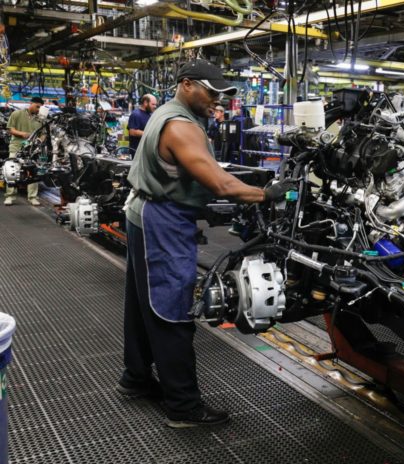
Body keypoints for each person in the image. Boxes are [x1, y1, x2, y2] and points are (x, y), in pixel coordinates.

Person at [116, 58, 295, 428]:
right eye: (211, 92)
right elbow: (222, 185)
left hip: (143, 211)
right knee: (171, 309)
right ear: (186, 85)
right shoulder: (181, 126)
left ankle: (135, 379)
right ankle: (183, 407)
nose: (217, 100)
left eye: (221, 94)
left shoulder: (169, 113)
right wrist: (268, 193)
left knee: (141, 303)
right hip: (161, 220)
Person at [4, 96, 44, 206]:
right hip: (16, 146)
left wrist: (40, 140)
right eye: (37, 107)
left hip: (32, 149)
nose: (38, 109)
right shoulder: (17, 114)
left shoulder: (40, 119)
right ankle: (10, 196)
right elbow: (10, 129)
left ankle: (32, 197)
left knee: (33, 172)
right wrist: (23, 134)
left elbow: (43, 133)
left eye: (40, 108)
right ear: (31, 104)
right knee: (12, 171)